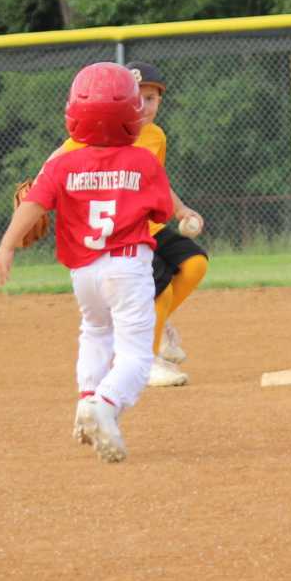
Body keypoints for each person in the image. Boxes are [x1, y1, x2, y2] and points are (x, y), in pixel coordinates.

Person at [0, 63, 174, 463]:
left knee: (95, 332)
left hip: (84, 273)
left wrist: (6, 245)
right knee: (136, 356)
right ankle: (105, 405)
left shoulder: (62, 163)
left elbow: (33, 204)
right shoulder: (143, 161)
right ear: (132, 113)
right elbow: (161, 212)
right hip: (127, 267)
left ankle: (87, 398)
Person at [47, 62, 208, 388]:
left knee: (194, 264)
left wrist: (180, 210)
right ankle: (146, 362)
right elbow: (55, 161)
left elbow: (155, 179)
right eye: (137, 98)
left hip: (149, 226)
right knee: (159, 291)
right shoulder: (100, 132)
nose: (144, 106)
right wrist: (35, 192)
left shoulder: (156, 136)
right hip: (122, 232)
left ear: (160, 100)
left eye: (151, 98)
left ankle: (156, 327)